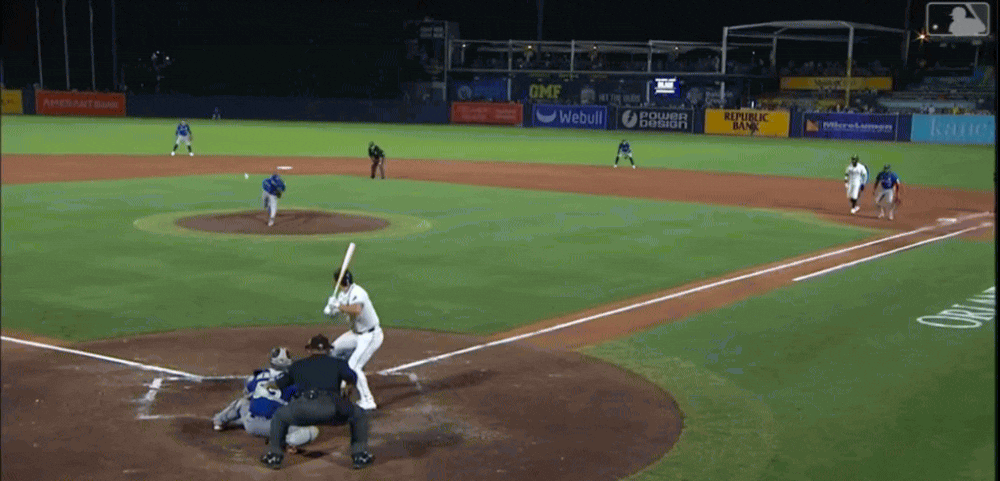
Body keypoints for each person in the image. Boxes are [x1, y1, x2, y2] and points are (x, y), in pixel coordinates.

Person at [260, 334, 373, 470]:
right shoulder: (338, 363)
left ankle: (274, 456)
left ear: (309, 350)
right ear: (328, 350)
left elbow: (278, 385)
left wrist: (266, 385)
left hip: (303, 409)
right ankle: (360, 456)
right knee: (359, 414)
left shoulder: (298, 365)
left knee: (279, 416)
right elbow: (353, 377)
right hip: (331, 409)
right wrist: (347, 390)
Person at [212, 347, 320, 448]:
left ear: (271, 361)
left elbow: (247, 392)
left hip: (250, 422)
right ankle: (282, 441)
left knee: (242, 402)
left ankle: (218, 421)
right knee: (311, 431)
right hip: (271, 426)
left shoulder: (259, 376)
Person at [324, 268, 383, 411]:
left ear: (337, 282)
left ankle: (368, 401)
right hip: (356, 334)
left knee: (354, 367)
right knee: (332, 351)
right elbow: (337, 312)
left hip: (370, 336)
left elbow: (357, 309)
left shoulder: (358, 292)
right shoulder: (342, 295)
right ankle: (342, 383)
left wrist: (338, 305)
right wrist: (331, 309)